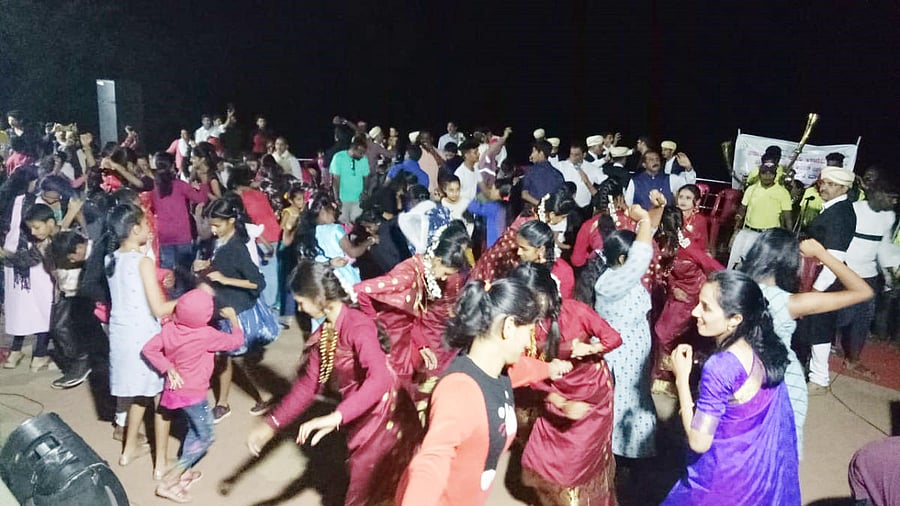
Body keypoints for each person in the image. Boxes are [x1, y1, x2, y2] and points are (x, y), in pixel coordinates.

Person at [247, 259, 422, 505]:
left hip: (384, 415)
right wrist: (272, 423)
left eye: (300, 302)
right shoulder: (328, 332)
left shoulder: (357, 326)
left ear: (318, 297)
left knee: (370, 487)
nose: (300, 308)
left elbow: (380, 378)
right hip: (360, 410)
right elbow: (309, 385)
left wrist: (336, 416)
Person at [396, 278, 572, 506]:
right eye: (528, 332)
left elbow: (523, 370)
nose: (529, 343)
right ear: (508, 327)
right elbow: (431, 462)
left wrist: (551, 368)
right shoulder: (461, 391)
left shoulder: (496, 371)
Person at [663, 270, 800, 505]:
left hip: (723, 480)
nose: (695, 312)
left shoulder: (721, 367)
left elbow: (699, 442)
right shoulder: (762, 345)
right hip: (755, 473)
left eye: (705, 307)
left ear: (735, 319)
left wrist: (681, 380)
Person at [740, 229, 874, 456]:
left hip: (738, 372)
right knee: (777, 454)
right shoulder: (792, 303)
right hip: (781, 378)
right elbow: (863, 291)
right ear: (791, 262)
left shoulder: (734, 289)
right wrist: (822, 253)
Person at [508, 263, 622, 505]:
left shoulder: (576, 311)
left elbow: (613, 338)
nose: (531, 310)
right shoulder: (525, 327)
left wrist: (590, 348)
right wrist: (558, 400)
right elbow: (527, 372)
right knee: (540, 458)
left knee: (574, 466)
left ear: (549, 294)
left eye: (535, 301)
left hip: (591, 397)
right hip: (554, 392)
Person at [82, 203, 176, 476]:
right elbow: (159, 308)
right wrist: (192, 301)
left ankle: (128, 450)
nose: (149, 228)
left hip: (122, 338)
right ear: (135, 229)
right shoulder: (143, 262)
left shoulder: (110, 259)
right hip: (145, 338)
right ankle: (161, 464)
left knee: (140, 392)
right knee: (162, 398)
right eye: (146, 224)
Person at [142, 288, 244, 502]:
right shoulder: (206, 335)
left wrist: (168, 367)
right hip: (194, 395)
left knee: (193, 429)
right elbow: (235, 342)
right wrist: (234, 321)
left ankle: (185, 469)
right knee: (206, 437)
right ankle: (170, 481)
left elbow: (149, 349)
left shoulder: (169, 328)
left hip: (174, 390)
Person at [355, 221, 469, 408]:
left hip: (402, 339)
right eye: (445, 272)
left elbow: (412, 315)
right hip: (387, 338)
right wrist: (374, 323)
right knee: (385, 395)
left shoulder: (425, 272)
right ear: (438, 260)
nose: (442, 278)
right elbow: (360, 290)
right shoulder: (408, 275)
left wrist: (422, 344)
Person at [193, 197, 271, 422]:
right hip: (225, 308)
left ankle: (261, 396)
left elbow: (258, 282)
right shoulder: (222, 242)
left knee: (234, 356)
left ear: (232, 221)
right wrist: (207, 266)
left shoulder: (237, 246)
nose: (213, 229)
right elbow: (222, 266)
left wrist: (225, 280)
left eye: (217, 224)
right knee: (227, 356)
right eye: (212, 224)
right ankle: (225, 402)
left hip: (239, 312)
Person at [591, 205, 658, 459]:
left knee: (633, 396)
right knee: (626, 401)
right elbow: (642, 255)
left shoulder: (617, 276)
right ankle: (624, 453)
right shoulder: (612, 283)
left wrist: (655, 212)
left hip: (632, 351)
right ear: (622, 260)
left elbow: (643, 247)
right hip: (624, 353)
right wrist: (642, 220)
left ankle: (626, 450)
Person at [795, 165, 857, 394]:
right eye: (823, 183)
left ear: (843, 188)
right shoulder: (832, 209)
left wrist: (818, 290)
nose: (824, 188)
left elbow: (835, 258)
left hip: (826, 280)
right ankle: (812, 372)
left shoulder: (841, 214)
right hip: (817, 277)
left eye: (831, 185)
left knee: (820, 329)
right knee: (813, 327)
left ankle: (820, 380)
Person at [1, 166, 54, 370]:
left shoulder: (6, 201)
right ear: (32, 182)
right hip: (33, 259)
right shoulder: (36, 203)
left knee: (18, 309)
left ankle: (15, 353)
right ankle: (39, 355)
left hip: (9, 259)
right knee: (43, 307)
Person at [152, 152, 208, 297]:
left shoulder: (155, 189)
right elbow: (200, 198)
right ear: (172, 166)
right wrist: (202, 185)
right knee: (184, 271)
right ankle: (184, 300)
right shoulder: (180, 185)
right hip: (182, 233)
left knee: (167, 272)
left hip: (164, 234)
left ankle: (168, 300)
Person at [727, 161, 793, 269]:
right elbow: (743, 208)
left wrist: (790, 236)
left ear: (775, 175)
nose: (767, 176)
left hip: (768, 235)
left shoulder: (783, 192)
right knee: (735, 265)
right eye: (764, 173)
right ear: (759, 174)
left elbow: (787, 217)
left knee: (762, 267)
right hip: (747, 232)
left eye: (770, 173)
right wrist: (737, 223)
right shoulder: (751, 189)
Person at [624, 150, 696, 210]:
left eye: (657, 159)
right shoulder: (635, 181)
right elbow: (628, 203)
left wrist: (688, 168)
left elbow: (689, 187)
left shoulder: (670, 178)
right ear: (644, 164)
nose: (655, 162)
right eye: (651, 160)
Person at [330, 136, 370, 223]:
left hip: (358, 200)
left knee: (356, 227)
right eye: (361, 153)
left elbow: (366, 177)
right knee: (344, 225)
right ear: (354, 149)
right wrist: (336, 198)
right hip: (343, 199)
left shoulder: (364, 160)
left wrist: (365, 191)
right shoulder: (338, 157)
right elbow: (336, 180)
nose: (362, 155)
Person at [521, 140, 565, 207]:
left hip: (536, 212)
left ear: (541, 153)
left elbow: (524, 195)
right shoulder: (558, 174)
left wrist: (541, 205)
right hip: (553, 213)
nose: (531, 155)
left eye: (533, 151)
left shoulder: (531, 171)